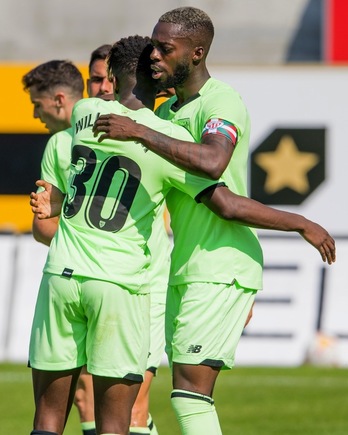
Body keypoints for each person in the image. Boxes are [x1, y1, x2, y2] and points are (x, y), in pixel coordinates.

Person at [30, 35, 335, 435]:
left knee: (48, 420)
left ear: (116, 77)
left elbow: (72, 175)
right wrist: (301, 223)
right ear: (155, 79)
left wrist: (51, 200)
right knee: (120, 422)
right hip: (118, 283)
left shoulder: (85, 114)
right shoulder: (165, 144)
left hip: (61, 274)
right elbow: (223, 199)